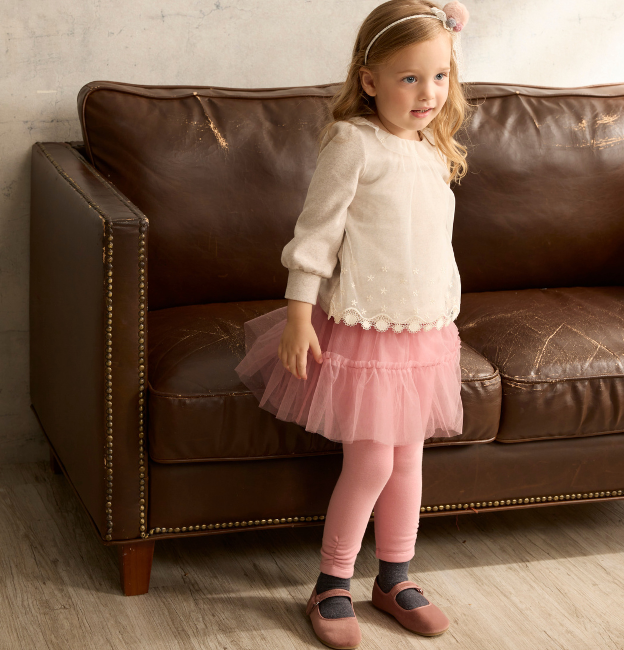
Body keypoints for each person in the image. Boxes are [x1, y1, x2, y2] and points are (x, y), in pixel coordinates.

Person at [234, 1, 472, 646]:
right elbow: (317, 235)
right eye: (409, 78)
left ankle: (394, 577)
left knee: (408, 463)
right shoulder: (354, 143)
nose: (428, 94)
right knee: (370, 465)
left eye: (440, 77)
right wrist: (298, 313)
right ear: (369, 80)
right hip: (366, 331)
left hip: (423, 329)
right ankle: (331, 582)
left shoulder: (433, 145)